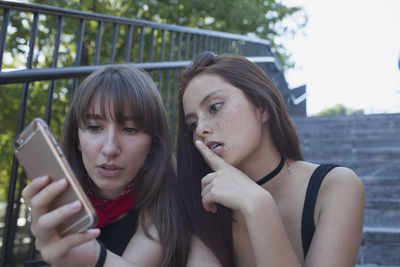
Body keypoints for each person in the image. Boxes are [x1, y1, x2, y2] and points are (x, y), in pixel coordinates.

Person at [177, 52, 365, 267]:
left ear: (262, 106)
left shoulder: (335, 186)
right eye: (193, 124)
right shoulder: (208, 201)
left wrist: (259, 207)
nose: (200, 129)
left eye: (215, 107)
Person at [22, 64, 189, 266]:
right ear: (78, 140)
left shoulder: (167, 199)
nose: (110, 149)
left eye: (129, 129)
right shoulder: (66, 199)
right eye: (94, 127)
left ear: (152, 143)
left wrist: (91, 257)